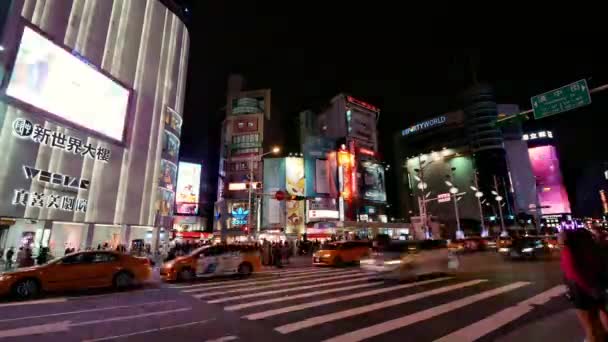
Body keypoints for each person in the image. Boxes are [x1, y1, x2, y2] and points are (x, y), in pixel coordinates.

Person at [560, 229, 608, 342]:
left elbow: (573, 273)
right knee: (601, 316)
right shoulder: (595, 248)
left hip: (581, 291)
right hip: (597, 286)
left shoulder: (570, 251)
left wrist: (589, 289)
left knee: (589, 326)